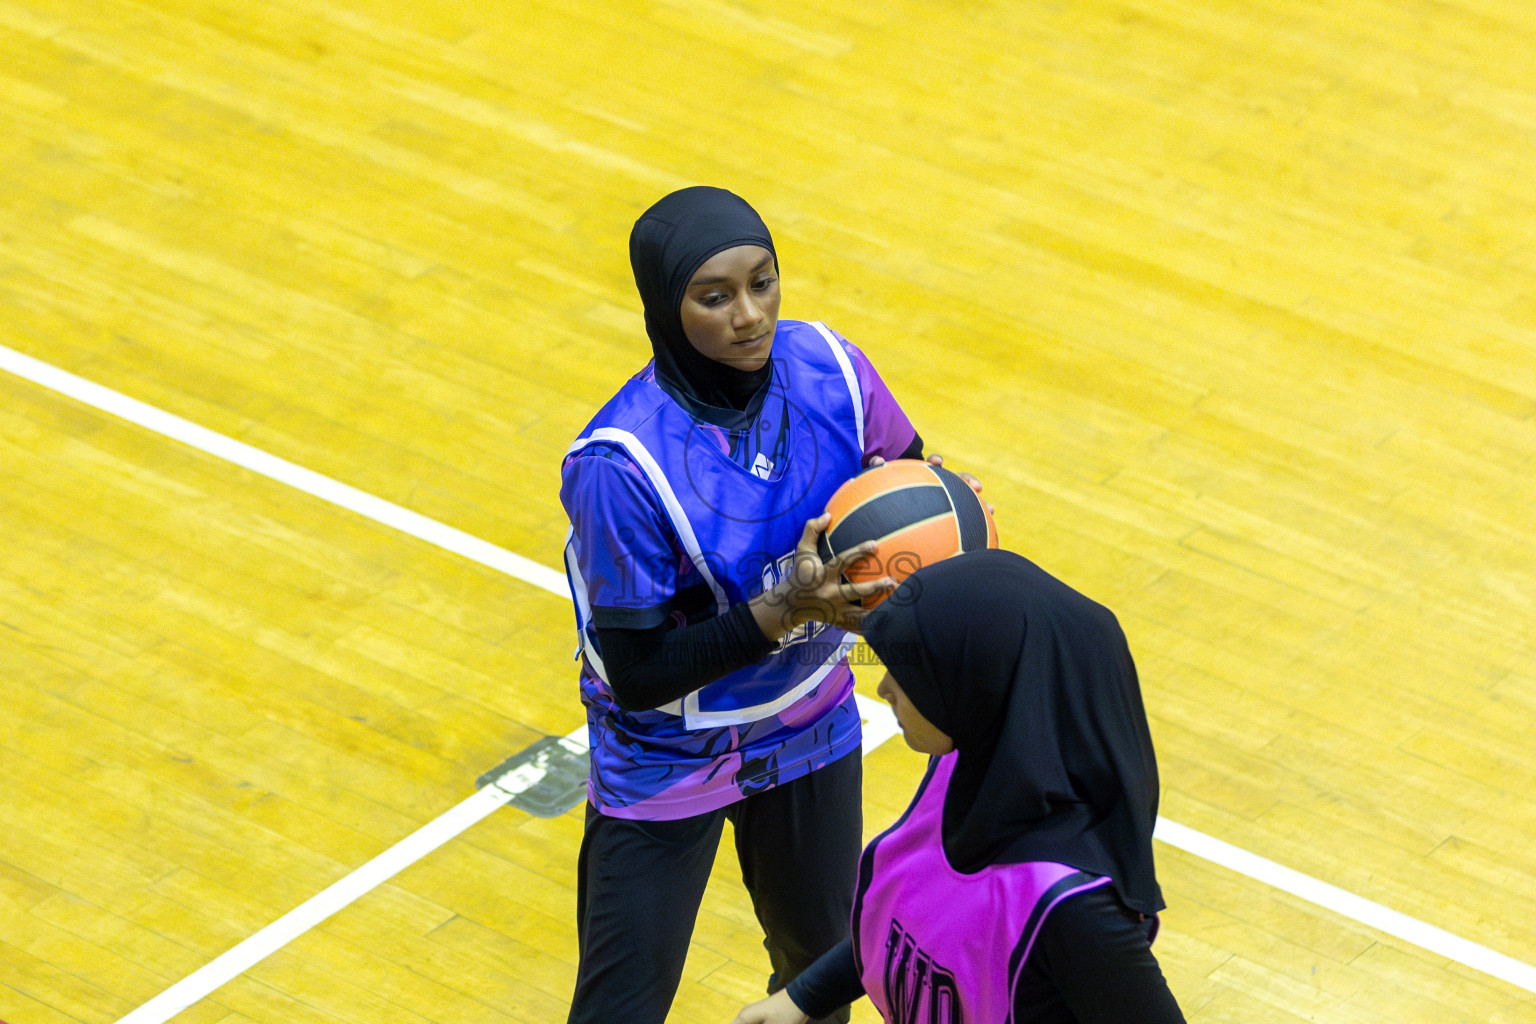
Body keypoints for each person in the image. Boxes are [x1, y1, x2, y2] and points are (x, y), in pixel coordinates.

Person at [560, 185, 966, 1023]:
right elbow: (640, 674)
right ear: (665, 311)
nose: (749, 316)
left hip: (808, 724)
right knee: (619, 1009)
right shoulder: (619, 464)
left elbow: (907, 485)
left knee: (817, 975)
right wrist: (788, 608)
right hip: (664, 752)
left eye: (763, 283)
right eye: (714, 298)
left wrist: (946, 514)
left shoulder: (834, 370)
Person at [728, 548, 1186, 1024]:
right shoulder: (962, 772)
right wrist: (802, 998)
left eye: (911, 676)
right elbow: (912, 919)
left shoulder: (1076, 910)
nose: (884, 688)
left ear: (976, 688)